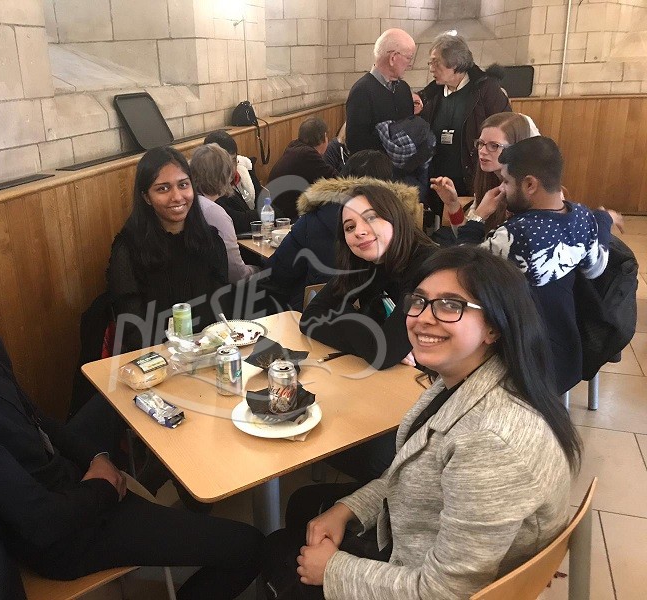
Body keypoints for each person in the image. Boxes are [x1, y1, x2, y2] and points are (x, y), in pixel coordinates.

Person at [0, 218, 263, 600]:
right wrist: (103, 485)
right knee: (248, 547)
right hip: (63, 533)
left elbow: (34, 418)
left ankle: (177, 486)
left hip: (62, 478)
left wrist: (96, 456)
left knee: (119, 399)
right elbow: (41, 524)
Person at [265, 246, 579, 600]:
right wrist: (349, 508)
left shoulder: (491, 441)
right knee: (305, 504)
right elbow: (411, 473)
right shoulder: (465, 378)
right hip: (421, 536)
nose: (423, 318)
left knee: (278, 551)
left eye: (450, 305)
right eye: (419, 301)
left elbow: (445, 591)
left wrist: (333, 569)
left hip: (431, 581)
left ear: (493, 327)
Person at [458, 136, 623, 393]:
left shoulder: (515, 235)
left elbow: (462, 266)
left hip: (520, 360)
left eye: (506, 182)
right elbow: (596, 268)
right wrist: (604, 219)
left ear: (530, 184)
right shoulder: (583, 217)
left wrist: (478, 216)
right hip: (566, 353)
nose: (502, 189)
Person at [106, 146, 231, 354]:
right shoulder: (128, 250)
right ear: (146, 197)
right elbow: (132, 329)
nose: (177, 197)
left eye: (183, 185)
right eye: (163, 189)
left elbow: (222, 311)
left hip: (208, 355)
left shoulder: (210, 241)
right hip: (156, 359)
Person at [301, 183, 436, 371]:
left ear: (395, 217)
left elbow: (383, 352)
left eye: (371, 218)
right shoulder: (363, 262)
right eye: (350, 227)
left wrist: (378, 341)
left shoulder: (427, 267)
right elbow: (310, 318)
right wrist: (374, 337)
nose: (359, 232)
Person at [264, 150, 394, 312]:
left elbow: (278, 272)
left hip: (314, 313)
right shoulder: (399, 223)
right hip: (379, 315)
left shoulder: (313, 219)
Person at [420, 33, 511, 208]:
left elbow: (506, 131)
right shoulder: (432, 94)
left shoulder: (485, 90)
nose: (431, 68)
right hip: (439, 181)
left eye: (436, 62)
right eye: (430, 63)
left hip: (475, 180)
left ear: (454, 63)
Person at [430, 111, 537, 241]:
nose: (482, 151)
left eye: (494, 146)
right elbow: (466, 236)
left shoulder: (529, 193)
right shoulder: (488, 181)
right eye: (481, 143)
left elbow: (470, 246)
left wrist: (479, 215)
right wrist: (453, 204)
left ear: (517, 149)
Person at [190, 143, 260, 283]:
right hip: (218, 288)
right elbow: (237, 274)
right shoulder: (215, 213)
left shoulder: (191, 201)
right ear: (225, 176)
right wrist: (258, 269)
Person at [345, 29, 416, 155]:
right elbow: (356, 144)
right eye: (408, 58)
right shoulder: (361, 91)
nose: (410, 64)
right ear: (393, 58)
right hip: (376, 166)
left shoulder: (404, 88)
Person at [267, 117, 339, 221]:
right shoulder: (307, 154)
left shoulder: (295, 148)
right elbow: (336, 180)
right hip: (286, 218)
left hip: (278, 211)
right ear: (324, 137)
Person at [203, 130, 260, 231]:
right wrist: (263, 214)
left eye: (233, 160)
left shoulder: (245, 174)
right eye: (224, 163)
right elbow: (236, 221)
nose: (231, 168)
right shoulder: (207, 188)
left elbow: (272, 208)